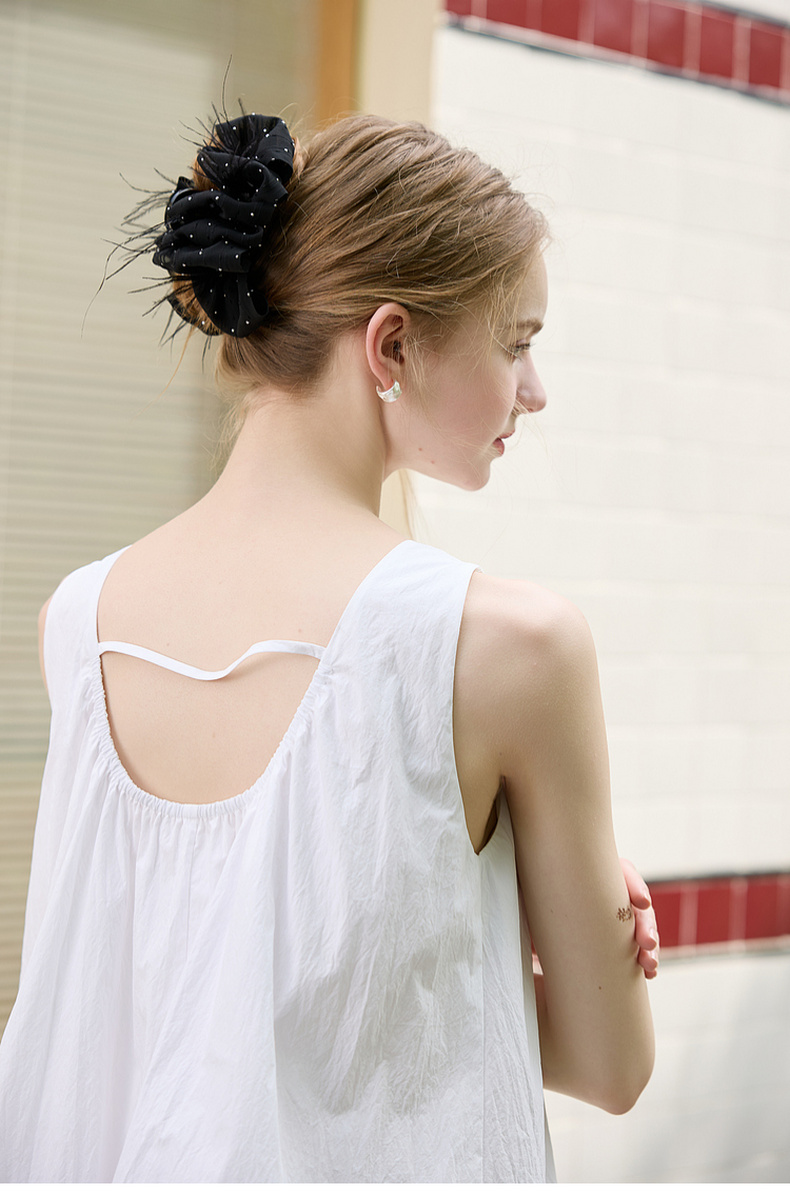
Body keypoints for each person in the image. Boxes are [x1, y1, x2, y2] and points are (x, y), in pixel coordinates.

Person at [0, 112, 657, 1182]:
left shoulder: (77, 625)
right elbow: (611, 1064)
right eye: (516, 342)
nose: (533, 391)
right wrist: (521, 919)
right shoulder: (507, 647)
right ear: (390, 345)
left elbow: (195, 1017)